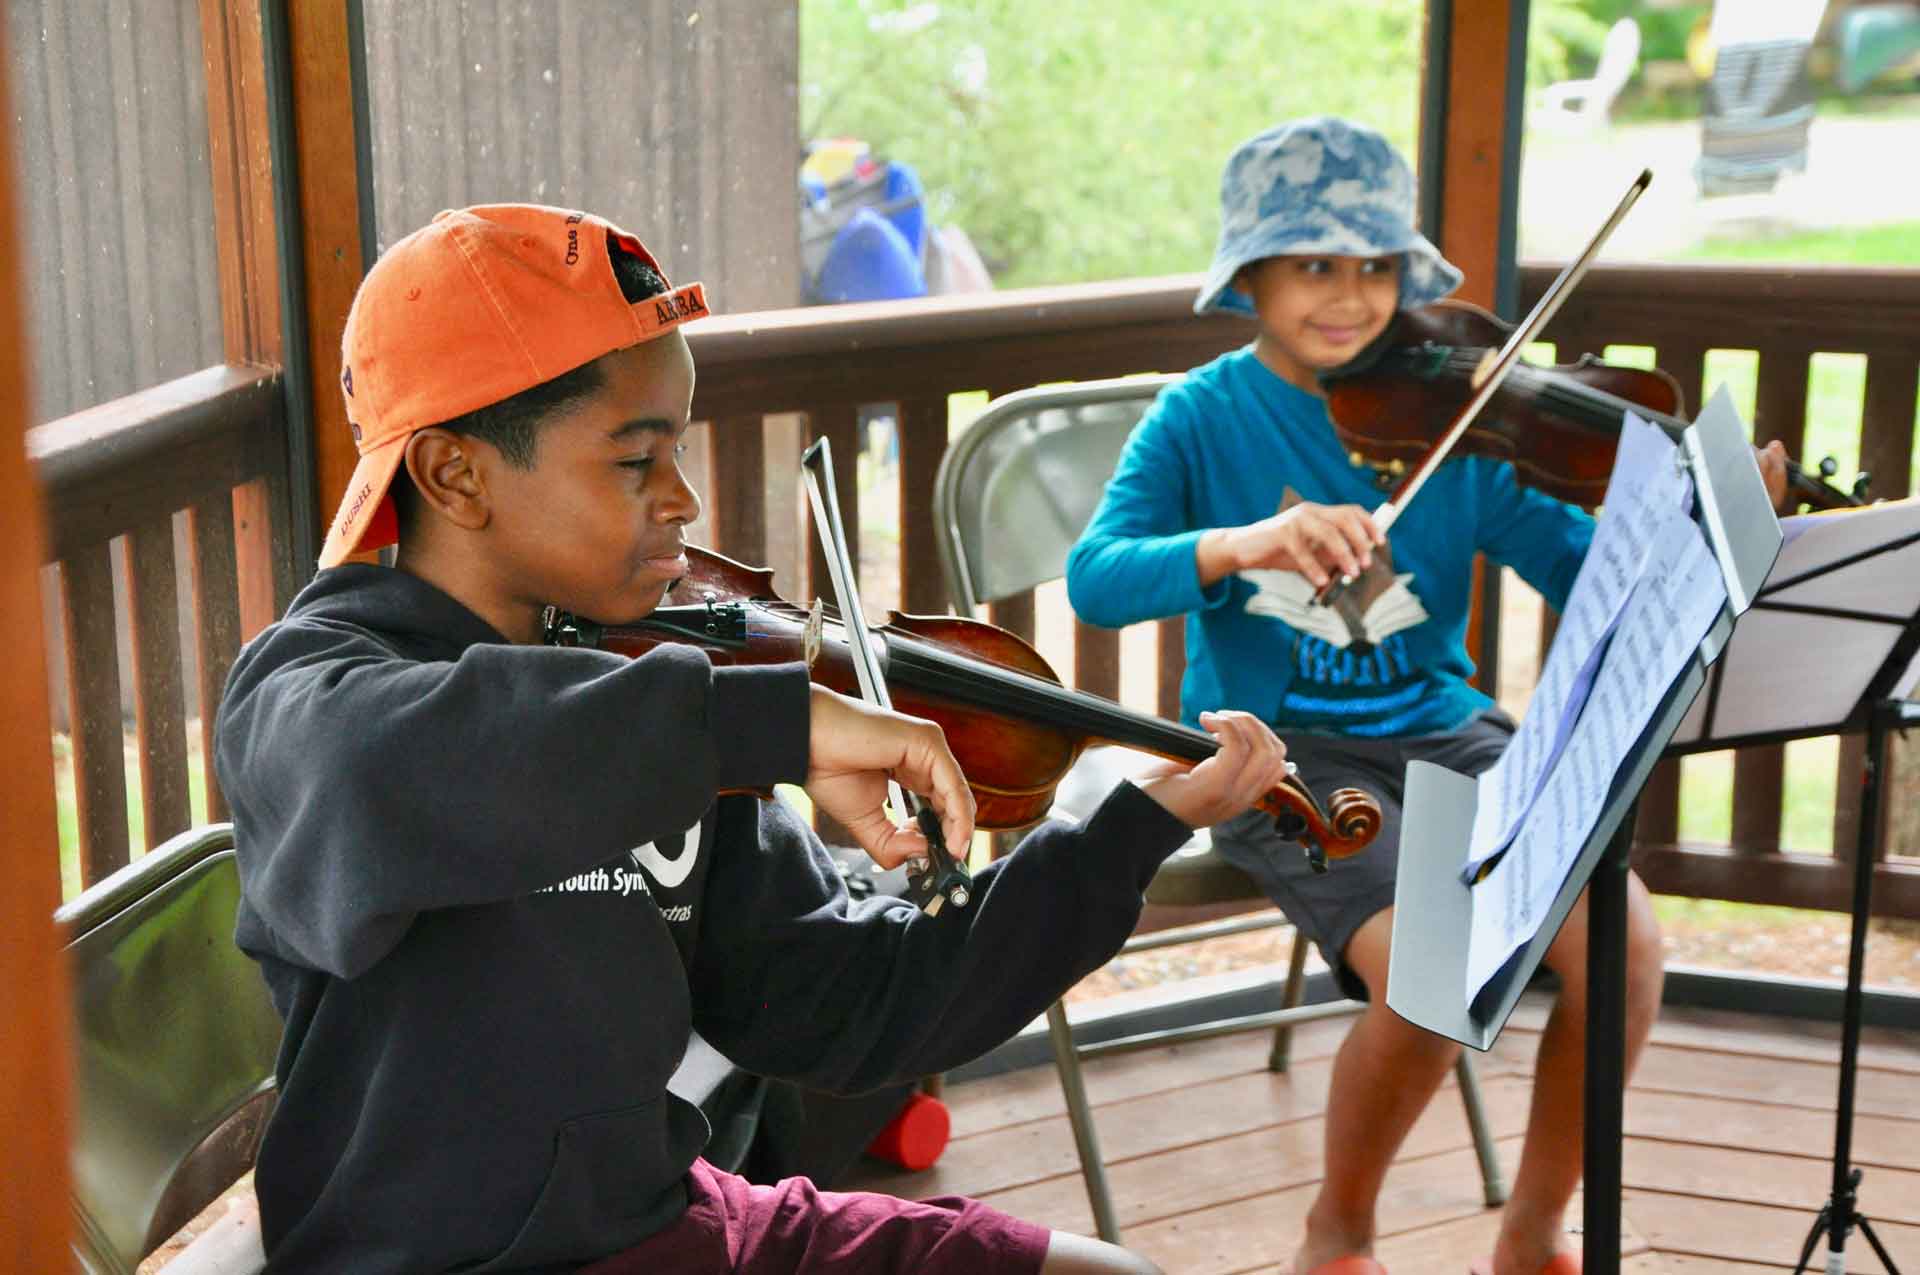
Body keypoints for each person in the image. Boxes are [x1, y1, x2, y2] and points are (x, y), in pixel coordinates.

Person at [214, 202, 1297, 1275]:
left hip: (666, 1225)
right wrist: (773, 720)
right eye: (636, 462)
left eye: (675, 449)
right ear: (456, 473)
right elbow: (422, 765)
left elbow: (847, 1004)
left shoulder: (655, 698)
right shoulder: (313, 693)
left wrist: (1122, 837)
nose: (682, 499)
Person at [1064, 118, 1789, 1275]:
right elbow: (1096, 582)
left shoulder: (1466, 423)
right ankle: (1336, 1232)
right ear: (1249, 277)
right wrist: (1246, 542)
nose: (1351, 297)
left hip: (1449, 737)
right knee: (1435, 972)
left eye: (1374, 266)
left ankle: (1535, 1228)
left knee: (1630, 952)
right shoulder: (1202, 416)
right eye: (1313, 265)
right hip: (1283, 758)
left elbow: (1575, 564)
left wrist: (1712, 527)